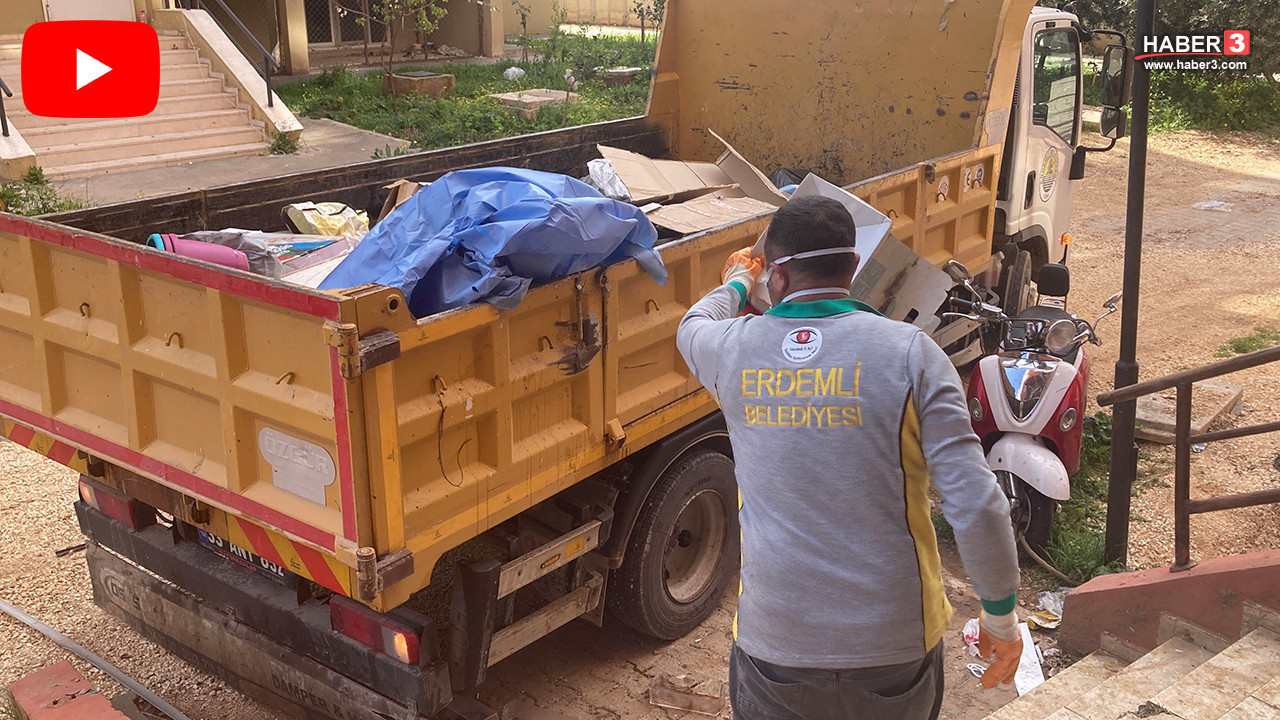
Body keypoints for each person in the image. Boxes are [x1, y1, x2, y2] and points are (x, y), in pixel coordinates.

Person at [675, 195, 1023, 720]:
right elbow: (977, 504)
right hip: (893, 647)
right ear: (855, 267)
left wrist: (737, 283)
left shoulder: (731, 349)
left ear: (778, 276)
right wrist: (1000, 618)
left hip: (776, 645)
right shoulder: (912, 354)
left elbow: (693, 324)